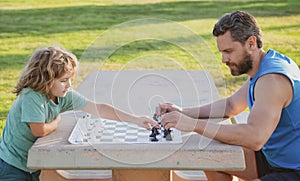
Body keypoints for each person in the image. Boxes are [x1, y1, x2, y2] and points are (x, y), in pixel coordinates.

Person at [156, 10, 300, 181]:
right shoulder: (264, 66)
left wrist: (194, 125)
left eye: (229, 51)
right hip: (272, 158)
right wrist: (183, 112)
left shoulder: (272, 79)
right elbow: (231, 106)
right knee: (210, 158)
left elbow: (255, 138)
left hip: (293, 170)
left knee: (212, 146)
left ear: (251, 43)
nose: (224, 59)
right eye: (221, 52)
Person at [0, 46, 157, 180]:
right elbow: (39, 130)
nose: (68, 85)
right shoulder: (32, 96)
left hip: (32, 163)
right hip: (12, 163)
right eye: (63, 80)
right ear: (45, 80)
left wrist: (136, 120)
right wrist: (56, 122)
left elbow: (99, 108)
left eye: (70, 79)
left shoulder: (63, 95)